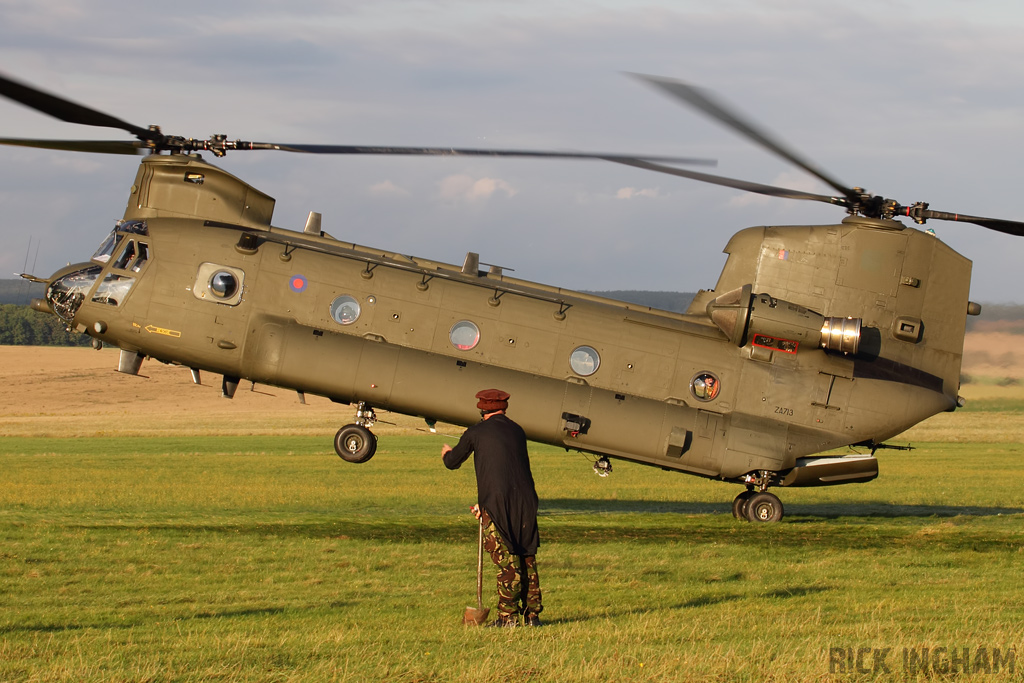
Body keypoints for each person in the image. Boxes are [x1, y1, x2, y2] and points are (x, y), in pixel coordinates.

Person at [442, 388, 543, 627]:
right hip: (526, 501)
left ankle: (508, 618)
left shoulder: (475, 432)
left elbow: (453, 462)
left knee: (507, 561)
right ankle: (532, 616)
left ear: (481, 408)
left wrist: (446, 453)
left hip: (497, 503)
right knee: (526, 557)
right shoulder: (517, 430)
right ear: (504, 407)